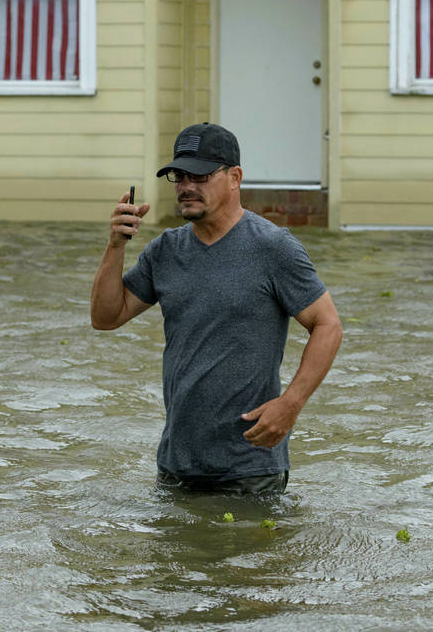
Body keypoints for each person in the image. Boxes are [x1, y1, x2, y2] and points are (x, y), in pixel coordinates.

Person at [90, 123, 342, 495]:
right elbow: (106, 317)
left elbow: (328, 325)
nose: (186, 186)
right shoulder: (165, 251)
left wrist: (291, 403)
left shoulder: (274, 248)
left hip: (250, 468)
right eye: (179, 175)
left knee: (250, 555)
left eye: (201, 175)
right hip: (177, 463)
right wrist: (115, 245)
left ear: (234, 177)